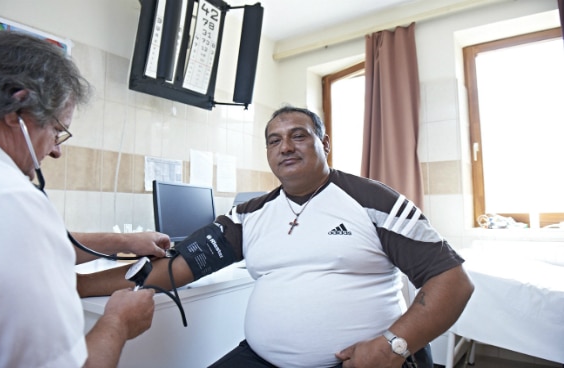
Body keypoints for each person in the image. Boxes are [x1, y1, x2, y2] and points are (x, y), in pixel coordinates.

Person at [78, 105, 474, 368]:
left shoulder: (374, 201)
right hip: (260, 359)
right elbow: (172, 268)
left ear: (324, 145)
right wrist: (76, 285)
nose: (285, 146)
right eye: (274, 140)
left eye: (299, 135)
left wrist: (394, 344)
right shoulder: (248, 215)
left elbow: (453, 282)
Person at [0, 30, 165, 368]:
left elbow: (27, 244)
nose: (56, 150)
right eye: (57, 130)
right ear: (17, 109)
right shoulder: (11, 200)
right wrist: (118, 322)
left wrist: (123, 240)